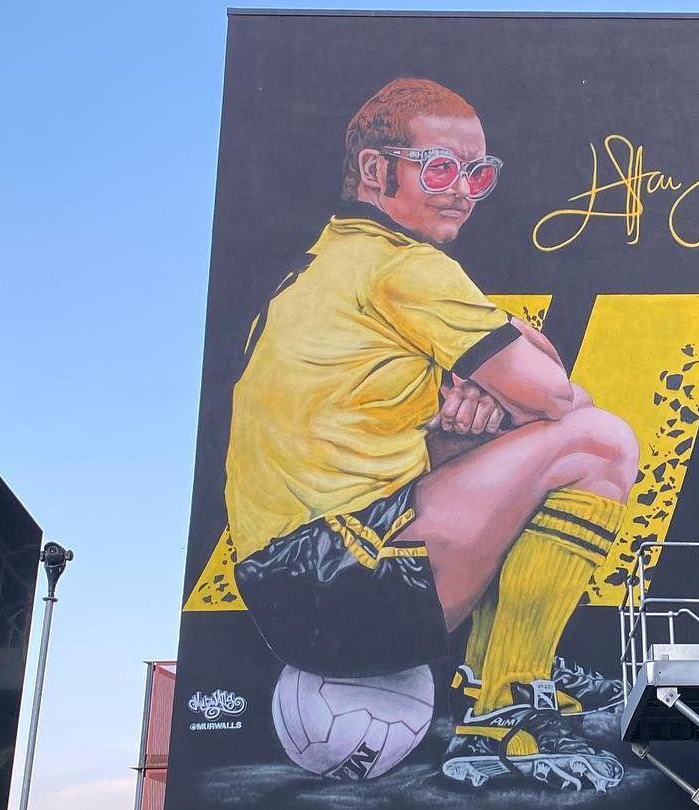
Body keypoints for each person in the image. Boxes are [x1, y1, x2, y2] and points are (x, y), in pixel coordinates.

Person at [225, 77, 633, 793]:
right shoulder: (405, 267)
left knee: (496, 450)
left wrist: (464, 423)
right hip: (339, 576)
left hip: (291, 588)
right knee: (597, 441)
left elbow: (379, 446)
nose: (464, 190)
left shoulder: (321, 266)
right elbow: (558, 397)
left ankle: (512, 655)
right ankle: (510, 695)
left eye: (478, 173)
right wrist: (519, 344)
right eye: (441, 167)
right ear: (377, 171)